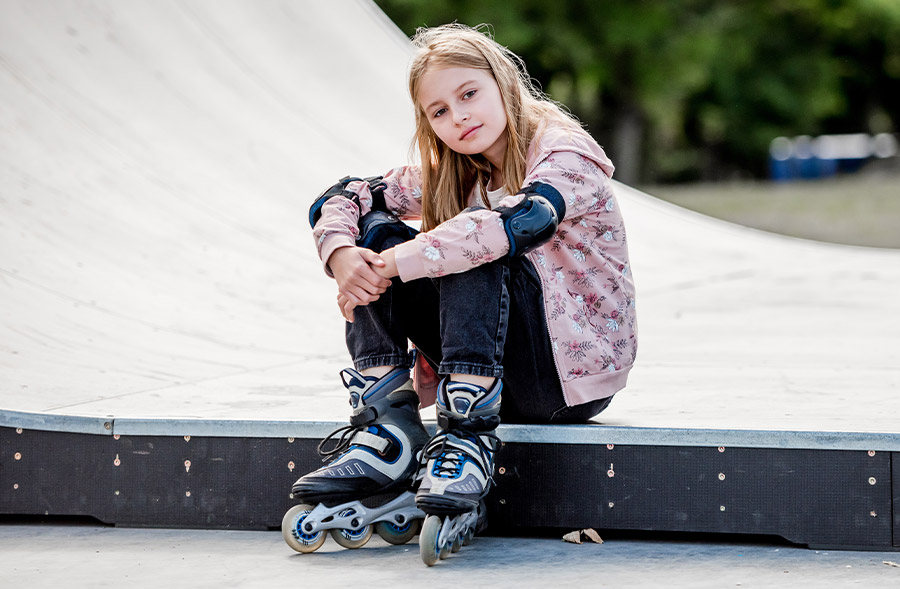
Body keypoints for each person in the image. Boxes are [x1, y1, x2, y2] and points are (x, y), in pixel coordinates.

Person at [288, 23, 636, 558]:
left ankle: (467, 437)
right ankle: (390, 429)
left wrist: (396, 263)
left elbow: (522, 222)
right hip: (502, 369)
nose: (459, 117)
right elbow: (346, 194)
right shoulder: (460, 171)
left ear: (503, 83)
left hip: (565, 383)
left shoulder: (566, 155)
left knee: (473, 236)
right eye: (439, 111)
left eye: (469, 94)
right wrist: (343, 257)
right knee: (376, 227)